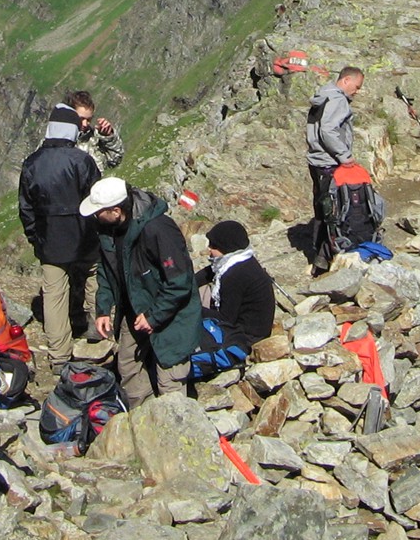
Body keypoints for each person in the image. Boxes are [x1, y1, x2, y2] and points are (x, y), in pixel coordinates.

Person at [84, 176, 201, 405]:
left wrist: (154, 316)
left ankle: (173, 432)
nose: (94, 216)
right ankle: (142, 419)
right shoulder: (108, 231)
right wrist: (103, 308)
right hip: (134, 311)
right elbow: (107, 272)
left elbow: (180, 283)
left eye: (98, 211)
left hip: (171, 317)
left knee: (170, 382)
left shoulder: (159, 230)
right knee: (129, 368)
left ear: (116, 211)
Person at [18, 103, 101, 371]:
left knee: (53, 294)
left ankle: (59, 357)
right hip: (84, 234)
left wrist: (35, 237)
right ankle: (97, 329)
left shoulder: (32, 163)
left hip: (50, 238)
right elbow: (97, 199)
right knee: (93, 278)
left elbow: (26, 207)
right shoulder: (82, 160)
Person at [192, 220, 276, 371]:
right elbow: (209, 272)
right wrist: (187, 284)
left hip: (248, 336)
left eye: (213, 246)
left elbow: (226, 319)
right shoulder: (241, 261)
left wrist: (193, 309)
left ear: (226, 248)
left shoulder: (235, 275)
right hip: (253, 327)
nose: (209, 249)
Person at [306, 66, 363, 265]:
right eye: (356, 86)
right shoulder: (338, 100)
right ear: (346, 80)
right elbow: (328, 130)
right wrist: (344, 156)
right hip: (330, 162)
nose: (357, 91)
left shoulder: (323, 95)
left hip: (316, 160)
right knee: (332, 211)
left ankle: (319, 253)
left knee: (321, 208)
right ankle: (325, 258)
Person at [64, 89, 124, 171]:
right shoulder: (55, 142)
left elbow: (116, 160)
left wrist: (108, 137)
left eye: (88, 120)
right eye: (81, 119)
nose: (85, 124)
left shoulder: (95, 138)